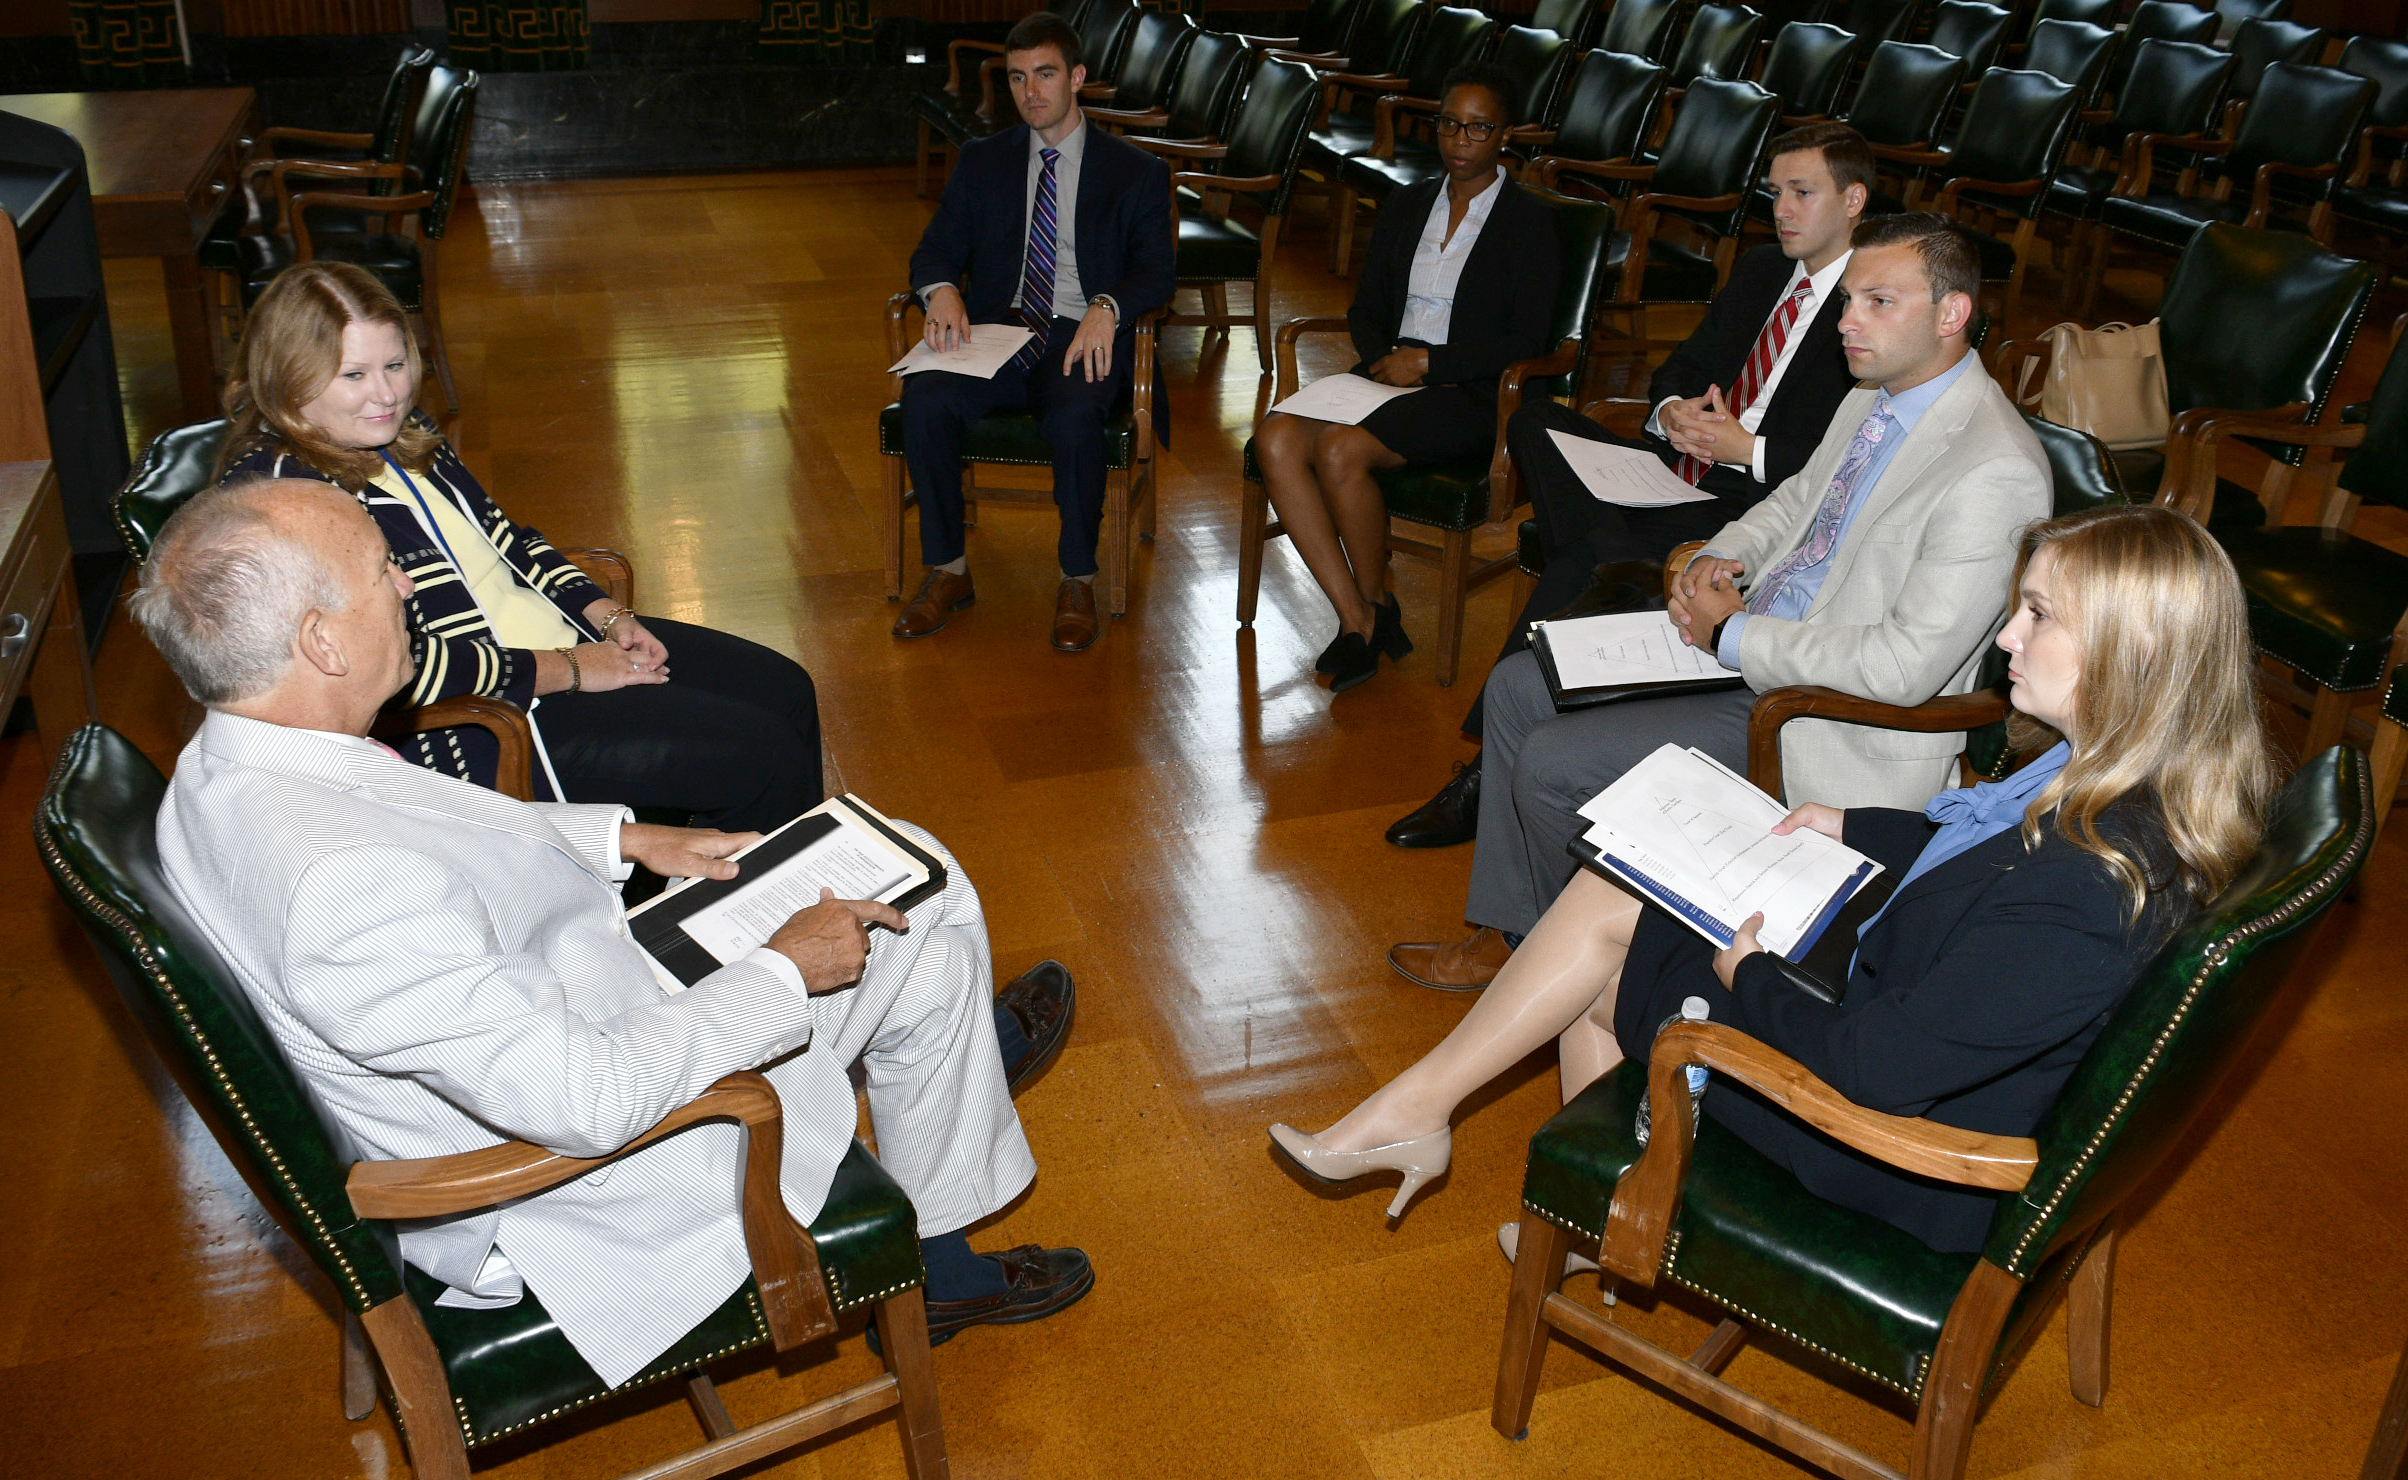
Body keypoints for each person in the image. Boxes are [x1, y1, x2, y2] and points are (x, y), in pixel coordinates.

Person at [136, 478, 1093, 1379]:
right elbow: (584, 1099)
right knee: (922, 910)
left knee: (903, 900)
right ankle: (938, 1200)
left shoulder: (232, 766)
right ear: (323, 643)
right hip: (598, 1180)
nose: (407, 583)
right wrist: (781, 970)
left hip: (569, 1006)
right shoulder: (339, 886)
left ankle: (938, 1090)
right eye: (383, 570)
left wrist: (632, 838)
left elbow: (438, 830)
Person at [1273, 503, 2274, 1256]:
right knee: (1617, 900)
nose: (2006, 637)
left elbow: (1876, 1067)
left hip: (1890, 1147)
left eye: (2036, 615)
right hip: (1907, 1013)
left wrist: (1745, 971)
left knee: (1601, 946)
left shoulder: (2086, 888)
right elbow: (1977, 864)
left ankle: (1495, 1160)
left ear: (2133, 651)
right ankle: (1535, 1185)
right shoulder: (2116, 777)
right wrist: (1860, 825)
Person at [1388, 213, 2050, 991]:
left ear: (1952, 314)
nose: (1847, 322)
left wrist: (1732, 633)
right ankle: (1517, 934)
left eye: (1877, 301)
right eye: (1846, 301)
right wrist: (1718, 556)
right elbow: (1798, 499)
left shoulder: (1993, 468)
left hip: (1821, 711)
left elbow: (1902, 666)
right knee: (1516, 686)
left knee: (1551, 764)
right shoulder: (1879, 393)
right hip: (1758, 643)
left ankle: (1578, 964)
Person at [215, 261, 823, 840]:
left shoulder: (405, 435)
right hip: (488, 715)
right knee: (762, 754)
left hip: (563, 645)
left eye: (395, 365)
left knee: (785, 688)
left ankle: (736, 888)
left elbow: (508, 541)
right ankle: (756, 920)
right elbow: (387, 663)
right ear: (289, 377)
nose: (387, 394)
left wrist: (606, 616)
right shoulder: (283, 500)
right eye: (354, 375)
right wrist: (577, 671)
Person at [1387, 123, 1873, 844]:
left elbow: (1849, 454)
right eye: (1776, 193)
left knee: (1584, 556)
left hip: (1750, 501)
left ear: (1854, 199)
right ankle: (1610, 554)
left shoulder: (1872, 304)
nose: (1783, 209)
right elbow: (1684, 363)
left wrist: (1751, 446)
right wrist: (1672, 409)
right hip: (1676, 470)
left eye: (1803, 193)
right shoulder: (1765, 268)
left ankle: (1487, 769)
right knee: (1535, 421)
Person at [1252, 63, 1563, 693]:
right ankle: (1360, 615)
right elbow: (1365, 307)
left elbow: (1530, 341)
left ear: (1505, 135)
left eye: (1479, 128)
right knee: (1276, 438)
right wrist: (1385, 360)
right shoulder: (1407, 202)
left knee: (1340, 449)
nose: (1460, 141)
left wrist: (1429, 365)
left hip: (1472, 390)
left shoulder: (1531, 223)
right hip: (1387, 373)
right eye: (1450, 124)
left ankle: (1369, 617)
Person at [898, 9, 1176, 653]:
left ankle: (1077, 578)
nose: (1031, 92)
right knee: (927, 399)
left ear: (1077, 76)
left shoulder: (1133, 171)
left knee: (1076, 419)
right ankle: (948, 570)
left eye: (1045, 74)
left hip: (1081, 334)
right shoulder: (982, 160)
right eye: (1018, 77)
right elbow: (934, 250)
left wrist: (1109, 303)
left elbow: (1157, 274)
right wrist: (940, 289)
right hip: (1000, 333)